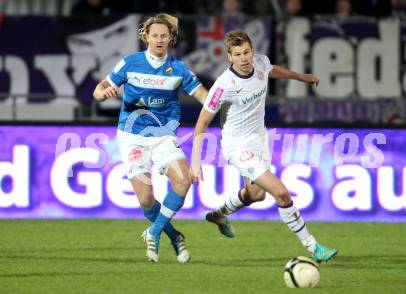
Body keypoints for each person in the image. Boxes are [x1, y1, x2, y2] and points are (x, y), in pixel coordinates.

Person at [190, 29, 337, 262]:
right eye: (237, 54)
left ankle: (220, 214)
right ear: (229, 57)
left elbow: (271, 70)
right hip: (237, 146)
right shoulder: (223, 85)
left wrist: (301, 77)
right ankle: (313, 246)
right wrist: (195, 162)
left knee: (256, 195)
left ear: (253, 50)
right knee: (280, 193)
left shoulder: (260, 62)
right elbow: (202, 122)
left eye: (247, 52)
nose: (244, 58)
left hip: (259, 140)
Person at [93, 13, 208, 263]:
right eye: (154, 35)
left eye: (163, 36)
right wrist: (106, 93)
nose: (159, 39)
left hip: (163, 135)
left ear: (171, 39)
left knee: (183, 181)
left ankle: (153, 232)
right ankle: (175, 237)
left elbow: (203, 96)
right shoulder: (129, 63)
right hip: (132, 136)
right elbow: (98, 90)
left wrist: (221, 102)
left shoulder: (178, 69)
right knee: (145, 198)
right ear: (146, 36)